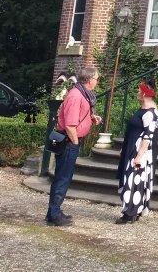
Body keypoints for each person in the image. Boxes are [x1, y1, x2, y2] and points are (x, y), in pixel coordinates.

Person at [46, 65, 100, 227]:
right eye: (97, 79)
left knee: (63, 177)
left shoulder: (83, 94)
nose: (97, 82)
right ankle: (54, 214)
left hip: (71, 140)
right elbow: (70, 125)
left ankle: (53, 212)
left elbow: (77, 118)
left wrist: (91, 118)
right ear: (90, 80)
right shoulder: (76, 96)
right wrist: (75, 143)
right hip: (69, 142)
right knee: (63, 178)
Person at [115, 81, 158, 223]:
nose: (137, 93)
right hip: (132, 148)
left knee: (134, 180)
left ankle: (130, 212)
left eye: (139, 91)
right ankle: (134, 210)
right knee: (133, 179)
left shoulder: (150, 113)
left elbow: (148, 136)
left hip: (139, 151)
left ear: (145, 93)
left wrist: (139, 156)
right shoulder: (143, 109)